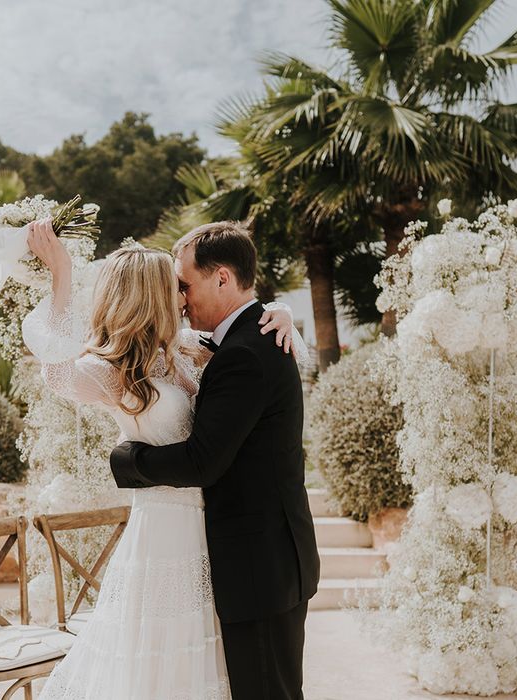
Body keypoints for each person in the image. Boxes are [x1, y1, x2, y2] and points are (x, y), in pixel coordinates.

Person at [21, 218, 299, 699]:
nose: (184, 297)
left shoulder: (184, 350)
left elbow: (252, 344)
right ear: (151, 295)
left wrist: (279, 309)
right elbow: (57, 375)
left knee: (205, 664)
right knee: (158, 664)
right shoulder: (109, 371)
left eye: (184, 286)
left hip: (211, 540)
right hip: (163, 535)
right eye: (176, 288)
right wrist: (61, 275)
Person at [110, 221, 320, 700]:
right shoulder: (250, 337)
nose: (180, 299)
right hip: (270, 561)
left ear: (222, 278)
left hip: (259, 568)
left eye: (185, 285)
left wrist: (128, 460)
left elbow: (203, 462)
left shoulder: (245, 352)